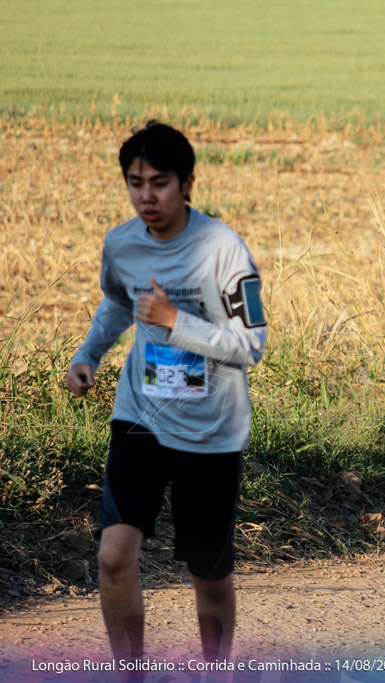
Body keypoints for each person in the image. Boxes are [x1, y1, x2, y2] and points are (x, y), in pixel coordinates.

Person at [65, 121, 267, 667]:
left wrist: (177, 321)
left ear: (187, 183)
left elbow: (252, 346)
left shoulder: (223, 248)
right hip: (141, 416)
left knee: (210, 575)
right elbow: (116, 301)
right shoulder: (122, 244)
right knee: (114, 555)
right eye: (135, 182)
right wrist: (88, 355)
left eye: (159, 182)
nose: (146, 196)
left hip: (211, 430)